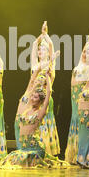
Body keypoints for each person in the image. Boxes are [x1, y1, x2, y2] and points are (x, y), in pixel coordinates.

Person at [0, 74, 68, 168]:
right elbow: (29, 93)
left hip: (34, 149)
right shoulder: (27, 108)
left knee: (19, 161)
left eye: (35, 97)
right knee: (10, 159)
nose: (32, 99)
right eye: (32, 96)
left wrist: (48, 77)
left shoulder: (41, 112)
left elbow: (49, 92)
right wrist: (34, 85)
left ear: (41, 101)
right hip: (23, 148)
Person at [65, 23, 89, 164]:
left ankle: (81, 154)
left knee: (80, 121)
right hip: (73, 99)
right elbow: (86, 47)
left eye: (88, 53)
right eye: (84, 52)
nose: (84, 54)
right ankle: (74, 155)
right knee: (74, 121)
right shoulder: (79, 65)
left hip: (81, 100)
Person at [29, 21, 61, 156]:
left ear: (48, 53)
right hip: (33, 99)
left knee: (44, 124)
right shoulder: (35, 65)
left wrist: (46, 35)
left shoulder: (51, 65)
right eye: (40, 50)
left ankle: (46, 150)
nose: (41, 51)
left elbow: (52, 46)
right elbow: (34, 45)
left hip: (45, 99)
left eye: (44, 50)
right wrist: (41, 35)